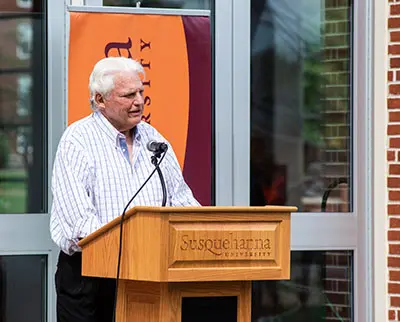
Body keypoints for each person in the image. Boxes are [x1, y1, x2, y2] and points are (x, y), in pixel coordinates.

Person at [50, 56, 200, 322]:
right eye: (129, 95)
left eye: (141, 92)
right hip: (90, 278)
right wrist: (131, 250)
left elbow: (182, 202)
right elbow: (78, 223)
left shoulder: (155, 139)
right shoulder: (77, 140)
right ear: (100, 100)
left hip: (149, 275)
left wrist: (201, 232)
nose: (139, 101)